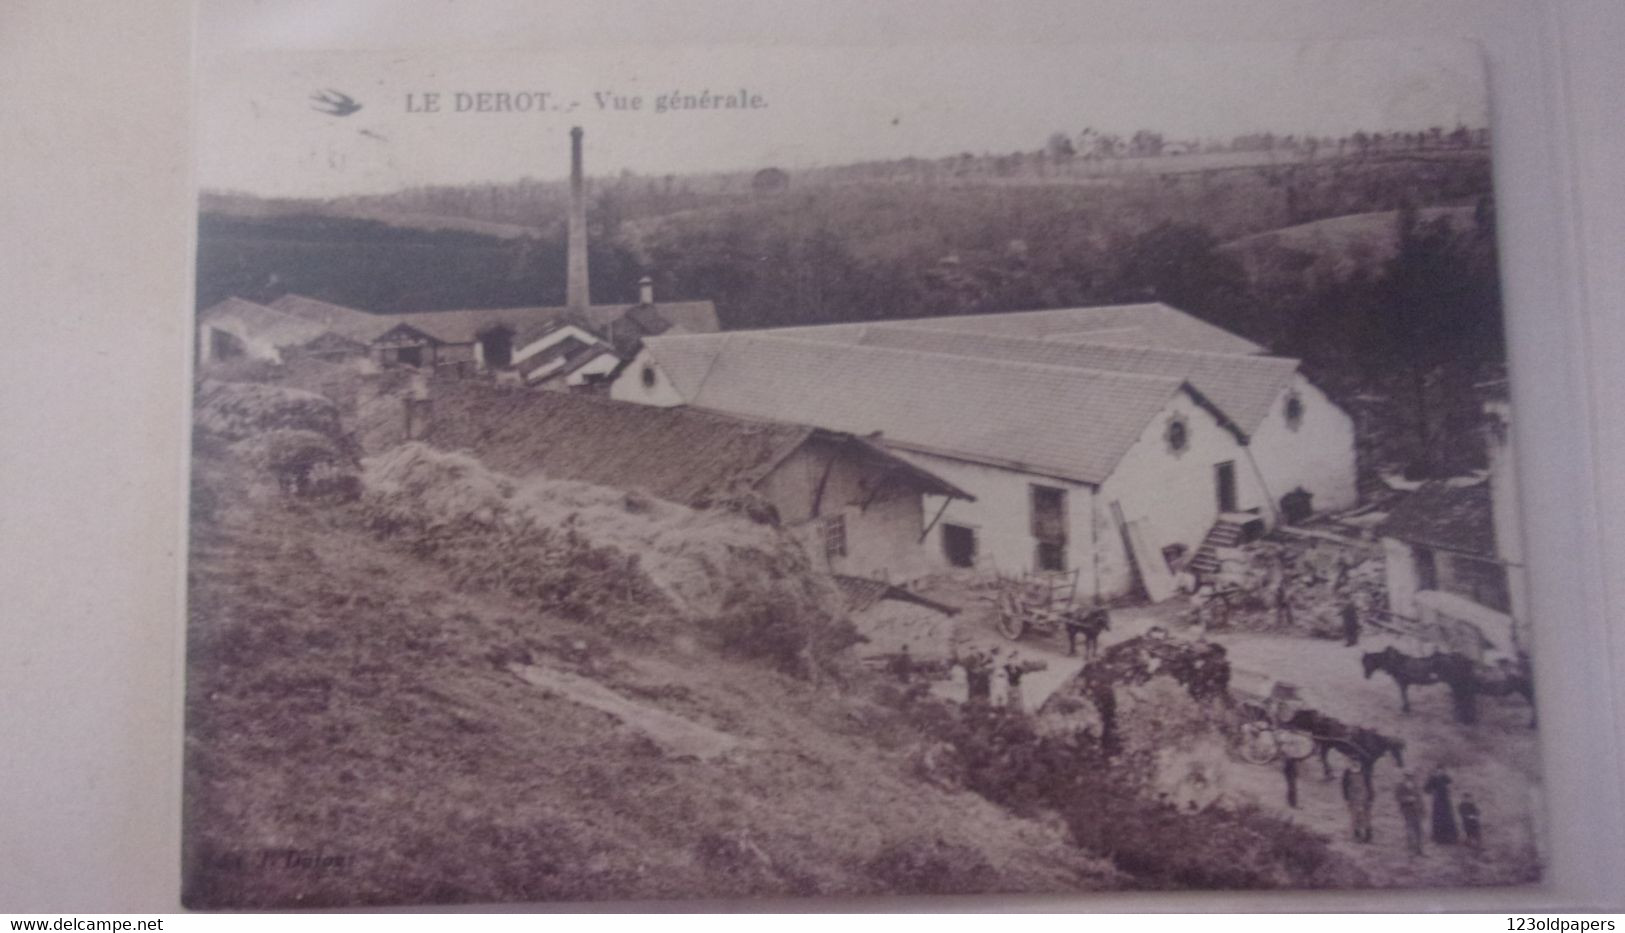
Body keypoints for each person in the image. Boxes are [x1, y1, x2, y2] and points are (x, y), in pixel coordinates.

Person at [1424, 765, 1459, 845]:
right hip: (1437, 802)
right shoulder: (1432, 778)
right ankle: (1439, 838)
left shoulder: (1445, 777)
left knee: (1448, 817)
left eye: (1442, 770)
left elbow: (1451, 783)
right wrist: (1432, 792)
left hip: (1446, 801)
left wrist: (1449, 788)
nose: (1440, 772)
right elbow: (1426, 789)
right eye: (1439, 770)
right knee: (1438, 818)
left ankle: (1450, 837)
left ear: (1443, 770)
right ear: (1436, 770)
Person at [1342, 764, 1375, 842]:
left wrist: (1371, 796)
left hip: (1364, 796)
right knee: (1355, 815)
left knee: (1366, 816)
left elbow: (1369, 784)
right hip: (1353, 797)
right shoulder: (1347, 772)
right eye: (1353, 761)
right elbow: (1344, 786)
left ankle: (1368, 834)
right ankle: (1357, 834)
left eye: (1356, 761)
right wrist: (1346, 797)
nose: (1354, 762)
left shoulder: (1365, 771)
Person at [1396, 771, 1426, 855]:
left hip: (1417, 810)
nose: (1410, 778)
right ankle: (1411, 849)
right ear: (1404, 777)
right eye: (1408, 776)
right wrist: (1408, 799)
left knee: (1419, 830)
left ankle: (1419, 849)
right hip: (1407, 810)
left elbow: (1420, 798)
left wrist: (1423, 809)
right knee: (1410, 829)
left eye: (1411, 776)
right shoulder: (1400, 786)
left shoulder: (1416, 786)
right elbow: (1398, 798)